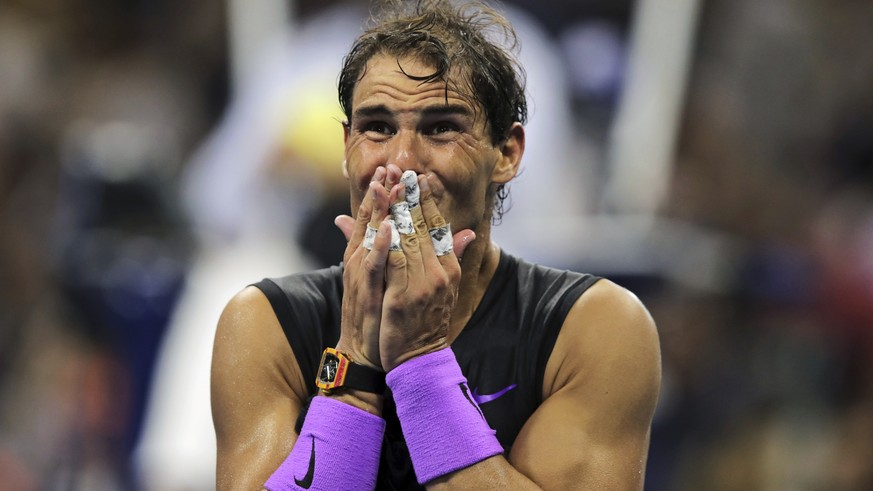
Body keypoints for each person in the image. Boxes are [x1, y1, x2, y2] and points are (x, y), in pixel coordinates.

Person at [210, 1, 661, 489]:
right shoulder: (263, 323)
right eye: (377, 127)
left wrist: (421, 362)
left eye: (441, 127)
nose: (402, 160)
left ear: (507, 153)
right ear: (346, 148)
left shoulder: (596, 328)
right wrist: (358, 361)